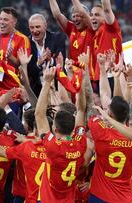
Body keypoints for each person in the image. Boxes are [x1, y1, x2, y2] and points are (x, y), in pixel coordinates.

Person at [35, 66, 92, 202]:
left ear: (55, 128)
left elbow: (39, 115)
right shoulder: (80, 143)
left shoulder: (53, 147)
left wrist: (47, 82)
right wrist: (80, 87)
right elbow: (81, 111)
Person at [87, 95, 132, 202]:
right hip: (124, 198)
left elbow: (90, 109)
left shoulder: (102, 133)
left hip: (99, 196)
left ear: (110, 114)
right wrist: (125, 173)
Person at [27, 13, 66, 96]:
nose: (34, 31)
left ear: (45, 26)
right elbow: (28, 71)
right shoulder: (26, 43)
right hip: (36, 90)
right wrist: (38, 63)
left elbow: (61, 63)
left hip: (57, 87)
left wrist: (50, 61)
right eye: (32, 27)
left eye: (37, 27)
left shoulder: (57, 38)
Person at [89, 0, 123, 92]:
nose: (92, 17)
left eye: (97, 15)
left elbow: (107, 9)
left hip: (113, 76)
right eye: (91, 15)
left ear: (105, 18)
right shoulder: (95, 36)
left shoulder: (110, 28)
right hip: (100, 78)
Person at [48, 0, 94, 66]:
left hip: (88, 71)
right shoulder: (71, 28)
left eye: (78, 16)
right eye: (73, 16)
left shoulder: (92, 29)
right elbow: (57, 15)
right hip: (73, 71)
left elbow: (82, 13)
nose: (75, 19)